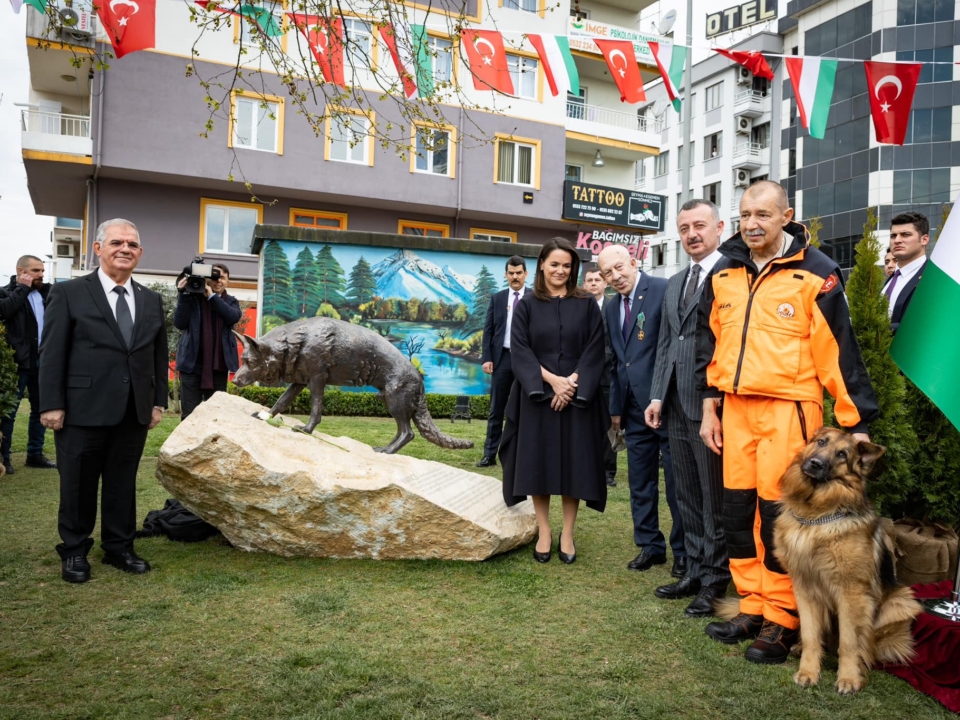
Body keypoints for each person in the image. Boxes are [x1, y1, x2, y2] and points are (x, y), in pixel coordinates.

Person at [696, 181, 878, 664]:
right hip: (734, 411)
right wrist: (709, 405)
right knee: (737, 513)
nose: (751, 224)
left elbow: (839, 350)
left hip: (790, 412)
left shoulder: (817, 273)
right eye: (744, 215)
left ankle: (783, 619)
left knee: (780, 516)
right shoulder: (724, 272)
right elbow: (708, 345)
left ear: (785, 216)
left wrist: (855, 421)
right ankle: (752, 606)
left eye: (762, 214)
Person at [39, 219, 168, 584]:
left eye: (132, 244)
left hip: (134, 410)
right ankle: (75, 551)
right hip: (81, 409)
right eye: (117, 242)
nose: (125, 248)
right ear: (98, 249)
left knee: (122, 482)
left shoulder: (150, 299)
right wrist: (51, 403)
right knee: (77, 484)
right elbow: (51, 353)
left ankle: (119, 547)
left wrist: (158, 401)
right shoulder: (69, 293)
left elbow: (156, 357)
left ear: (139, 253)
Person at [500, 238, 608, 564]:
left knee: (574, 466)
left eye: (566, 265)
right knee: (539, 465)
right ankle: (545, 531)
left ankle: (569, 534)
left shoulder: (586, 304)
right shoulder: (528, 305)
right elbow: (520, 350)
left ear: (573, 268)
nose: (560, 270)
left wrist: (572, 383)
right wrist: (552, 381)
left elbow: (595, 348)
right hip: (537, 398)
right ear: (542, 265)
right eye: (555, 264)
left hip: (577, 398)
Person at [646, 199, 730, 615]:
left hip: (713, 406)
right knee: (687, 493)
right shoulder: (676, 281)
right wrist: (658, 395)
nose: (691, 234)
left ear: (719, 226)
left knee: (714, 497)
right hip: (676, 405)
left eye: (699, 225)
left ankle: (716, 580)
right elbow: (666, 344)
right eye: (684, 229)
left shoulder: (732, 275)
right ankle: (694, 569)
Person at [598, 245, 686, 577]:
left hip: (666, 403)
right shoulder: (609, 306)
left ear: (634, 263)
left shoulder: (663, 290)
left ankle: (683, 551)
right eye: (608, 273)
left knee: (677, 482)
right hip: (632, 408)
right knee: (640, 480)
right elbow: (619, 360)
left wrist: (661, 396)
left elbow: (673, 347)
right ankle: (650, 545)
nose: (615, 276)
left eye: (619, 267)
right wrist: (616, 408)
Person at [0, 255, 56, 474]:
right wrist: (22, 289)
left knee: (41, 410)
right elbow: (4, 311)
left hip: (43, 361)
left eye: (42, 270)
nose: (41, 274)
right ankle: (4, 458)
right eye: (36, 271)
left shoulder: (46, 292)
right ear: (21, 271)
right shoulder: (6, 292)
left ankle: (35, 454)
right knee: (9, 412)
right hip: (17, 362)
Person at [477, 256, 528, 468]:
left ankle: (521, 455)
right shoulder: (497, 299)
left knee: (526, 410)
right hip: (502, 359)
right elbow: (488, 331)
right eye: (511, 273)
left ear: (525, 274)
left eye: (518, 273)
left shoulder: (535, 298)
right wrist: (487, 358)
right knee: (496, 409)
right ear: (506, 275)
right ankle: (489, 454)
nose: (515, 277)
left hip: (527, 360)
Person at [174, 263, 242, 419]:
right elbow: (180, 323)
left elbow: (232, 317)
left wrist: (211, 297)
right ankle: (188, 443)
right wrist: (183, 294)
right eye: (214, 277)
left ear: (228, 281)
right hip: (191, 365)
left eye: (222, 278)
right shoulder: (191, 298)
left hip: (218, 365)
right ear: (207, 279)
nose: (218, 281)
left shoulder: (231, 302)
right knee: (189, 415)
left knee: (216, 415)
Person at [582, 264, 618, 487]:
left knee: (608, 426)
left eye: (598, 279)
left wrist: (594, 361)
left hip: (606, 377)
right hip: (581, 378)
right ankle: (584, 468)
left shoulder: (614, 308)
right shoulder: (576, 308)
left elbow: (615, 344)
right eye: (590, 280)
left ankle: (608, 472)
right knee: (583, 426)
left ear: (605, 283)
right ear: (583, 284)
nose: (594, 283)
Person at [883, 212, 929, 334]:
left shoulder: (932, 278)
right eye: (893, 236)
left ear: (924, 239)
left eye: (905, 235)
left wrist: (879, 330)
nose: (897, 240)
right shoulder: (889, 280)